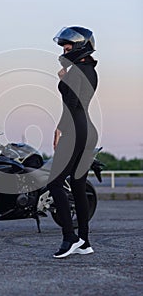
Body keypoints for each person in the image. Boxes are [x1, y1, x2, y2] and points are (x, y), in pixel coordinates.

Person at [47, 26, 98, 258]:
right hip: (89, 130)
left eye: (68, 45)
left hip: (76, 131)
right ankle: (85, 241)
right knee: (77, 186)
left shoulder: (76, 72)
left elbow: (71, 104)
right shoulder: (90, 70)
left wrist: (61, 128)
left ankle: (70, 237)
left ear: (80, 45)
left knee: (55, 184)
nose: (64, 49)